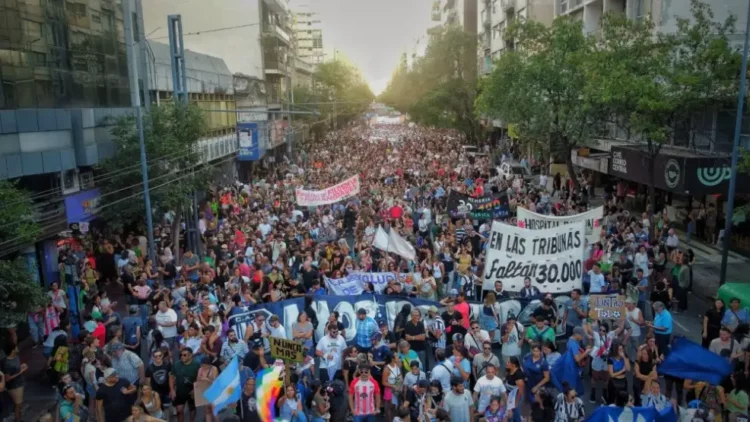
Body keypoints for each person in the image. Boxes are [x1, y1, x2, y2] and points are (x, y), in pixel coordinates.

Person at [170, 347, 200, 422]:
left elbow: (199, 378)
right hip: (180, 391)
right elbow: (171, 377)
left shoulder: (196, 364)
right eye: (181, 355)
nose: (182, 357)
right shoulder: (177, 364)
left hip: (192, 391)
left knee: (192, 409)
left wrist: (195, 389)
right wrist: (172, 390)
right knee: (179, 410)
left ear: (190, 356)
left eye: (185, 355)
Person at [2, 342, 27, 422]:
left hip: (20, 382)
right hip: (14, 386)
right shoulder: (7, 363)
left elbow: (17, 367)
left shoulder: (16, 357)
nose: (17, 349)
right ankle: (17, 419)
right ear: (12, 350)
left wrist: (21, 367)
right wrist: (20, 372)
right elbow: (7, 379)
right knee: (18, 404)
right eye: (15, 348)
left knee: (19, 403)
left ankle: (18, 418)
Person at [382, 353, 402, 422]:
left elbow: (399, 376)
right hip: (389, 391)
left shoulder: (397, 366)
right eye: (396, 356)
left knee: (395, 408)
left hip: (396, 390)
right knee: (390, 408)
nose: (398, 357)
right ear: (392, 359)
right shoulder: (386, 369)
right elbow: (384, 382)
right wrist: (393, 386)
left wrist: (399, 384)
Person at [505, 356, 526, 422]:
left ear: (513, 365)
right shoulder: (509, 370)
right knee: (509, 413)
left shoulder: (518, 374)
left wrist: (516, 402)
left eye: (508, 362)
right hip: (510, 395)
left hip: (516, 396)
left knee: (516, 414)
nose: (506, 363)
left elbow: (521, 391)